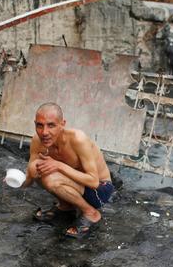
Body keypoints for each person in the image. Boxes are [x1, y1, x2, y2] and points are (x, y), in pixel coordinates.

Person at [21, 102, 115, 239]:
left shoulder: (78, 139)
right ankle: (66, 207)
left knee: (50, 178)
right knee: (35, 167)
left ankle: (91, 213)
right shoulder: (37, 141)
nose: (44, 132)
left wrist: (59, 165)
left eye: (51, 125)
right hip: (77, 186)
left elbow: (94, 182)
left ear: (62, 124)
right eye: (39, 125)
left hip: (100, 190)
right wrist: (17, 181)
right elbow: (30, 175)